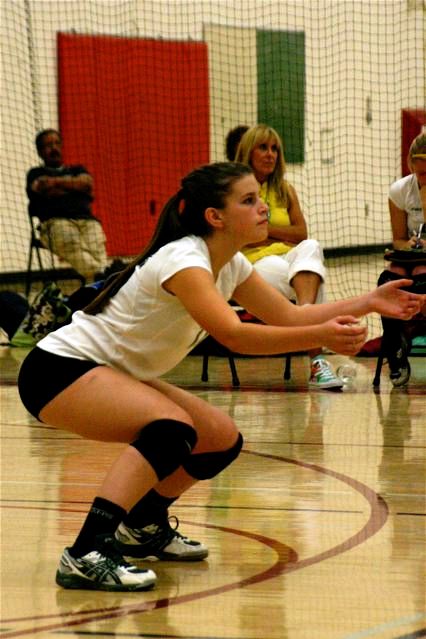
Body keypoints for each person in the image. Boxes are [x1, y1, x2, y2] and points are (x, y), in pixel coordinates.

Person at [17, 162, 423, 592]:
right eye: (248, 200)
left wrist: (370, 301)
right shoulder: (184, 259)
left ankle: (141, 526)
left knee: (219, 438)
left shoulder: (230, 264)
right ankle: (86, 551)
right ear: (215, 216)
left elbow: (288, 316)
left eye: (259, 198)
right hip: (58, 370)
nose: (263, 208)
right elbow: (234, 335)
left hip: (110, 371)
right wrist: (322, 336)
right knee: (171, 431)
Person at [235, 124, 342, 389]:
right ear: (248, 152)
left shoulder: (285, 189)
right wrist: (277, 234)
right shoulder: (235, 189)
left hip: (290, 257)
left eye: (275, 149)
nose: (270, 154)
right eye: (263, 147)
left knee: (312, 247)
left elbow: (301, 234)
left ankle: (304, 314)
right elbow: (242, 235)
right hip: (254, 263)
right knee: (311, 280)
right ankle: (317, 361)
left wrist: (265, 230)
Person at [26, 129, 109, 282]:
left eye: (57, 143)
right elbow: (44, 189)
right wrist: (73, 185)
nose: (54, 148)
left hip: (87, 221)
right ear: (40, 151)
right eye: (48, 145)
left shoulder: (77, 169)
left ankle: (100, 280)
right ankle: (103, 276)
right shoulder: (35, 173)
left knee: (97, 246)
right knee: (71, 243)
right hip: (55, 223)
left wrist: (55, 183)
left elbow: (87, 184)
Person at [377, 132, 426, 386]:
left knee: (421, 274)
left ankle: (412, 329)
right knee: (390, 279)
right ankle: (396, 347)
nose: (423, 179)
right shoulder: (399, 190)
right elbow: (398, 239)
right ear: (411, 164)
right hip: (412, 256)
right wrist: (409, 245)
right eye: (420, 173)